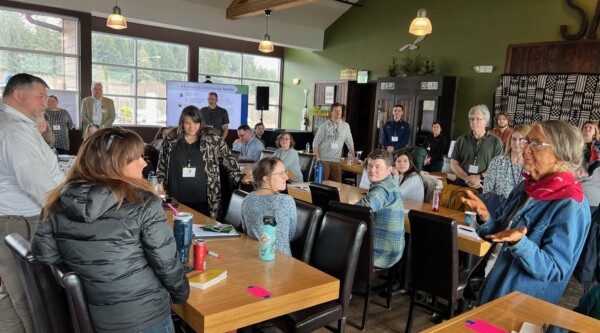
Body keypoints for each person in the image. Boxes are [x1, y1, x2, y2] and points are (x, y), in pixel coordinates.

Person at [31, 127, 190, 333]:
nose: (144, 162)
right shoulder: (143, 204)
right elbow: (167, 265)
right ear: (114, 164)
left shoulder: (55, 203)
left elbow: (46, 260)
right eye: (137, 158)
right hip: (141, 319)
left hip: (83, 317)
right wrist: (181, 297)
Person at [462, 120, 591, 306]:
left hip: (517, 303)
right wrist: (485, 218)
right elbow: (498, 234)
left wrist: (520, 243)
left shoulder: (570, 204)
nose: (526, 149)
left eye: (536, 144)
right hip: (490, 284)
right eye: (527, 141)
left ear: (562, 154)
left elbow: (555, 270)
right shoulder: (526, 186)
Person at [0, 73, 64, 333]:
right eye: (40, 96)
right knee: (30, 296)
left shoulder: (18, 125)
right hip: (20, 223)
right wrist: (72, 210)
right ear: (18, 95)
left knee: (11, 294)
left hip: (17, 219)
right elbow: (39, 184)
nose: (45, 103)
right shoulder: (15, 131)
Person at [157, 105, 245, 220]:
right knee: (177, 228)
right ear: (182, 122)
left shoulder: (211, 137)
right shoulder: (171, 138)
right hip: (175, 196)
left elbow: (227, 157)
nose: (192, 127)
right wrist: (160, 185)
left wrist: (240, 176)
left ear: (201, 122)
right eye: (188, 123)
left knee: (203, 228)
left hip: (204, 197)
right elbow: (162, 163)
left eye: (196, 123)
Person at [355, 149, 404, 269]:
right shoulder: (388, 183)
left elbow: (357, 211)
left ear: (389, 169)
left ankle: (336, 286)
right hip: (388, 249)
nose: (372, 170)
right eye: (370, 166)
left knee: (330, 244)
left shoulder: (384, 189)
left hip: (381, 254)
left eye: (377, 167)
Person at [241, 157, 297, 255]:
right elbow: (289, 235)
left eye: (285, 172)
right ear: (266, 178)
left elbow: (245, 230)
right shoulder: (286, 201)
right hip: (282, 261)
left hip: (253, 256)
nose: (286, 177)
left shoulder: (247, 199)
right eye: (280, 174)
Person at [451, 104, 503, 190]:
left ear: (486, 122)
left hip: (484, 184)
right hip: (462, 183)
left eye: (478, 119)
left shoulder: (496, 142)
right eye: (472, 119)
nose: (474, 122)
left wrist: (479, 177)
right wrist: (468, 179)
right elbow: (454, 163)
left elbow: (497, 167)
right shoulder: (461, 140)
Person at [483, 124, 531, 199]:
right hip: (496, 207)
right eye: (514, 139)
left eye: (522, 140)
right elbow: (486, 191)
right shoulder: (497, 161)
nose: (517, 143)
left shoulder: (532, 166)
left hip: (520, 209)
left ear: (528, 142)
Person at [312, 103, 357, 182]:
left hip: (336, 160)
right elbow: (315, 143)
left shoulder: (346, 126)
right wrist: (317, 158)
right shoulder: (324, 126)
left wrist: (354, 158)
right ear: (331, 112)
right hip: (324, 159)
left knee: (337, 184)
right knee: (323, 183)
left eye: (340, 110)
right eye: (335, 110)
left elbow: (350, 143)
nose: (338, 112)